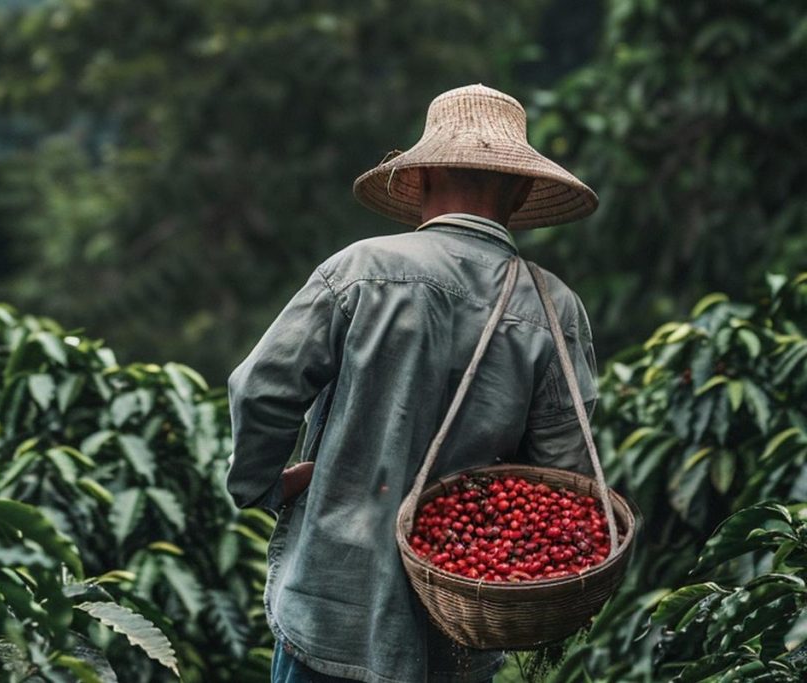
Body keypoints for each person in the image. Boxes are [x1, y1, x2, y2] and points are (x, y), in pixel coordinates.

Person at [226, 84, 600, 683]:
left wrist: (265, 484)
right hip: (457, 625)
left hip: (333, 608)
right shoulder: (553, 307)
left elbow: (260, 391)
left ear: (420, 176)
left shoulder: (360, 271)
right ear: (523, 191)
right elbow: (562, 478)